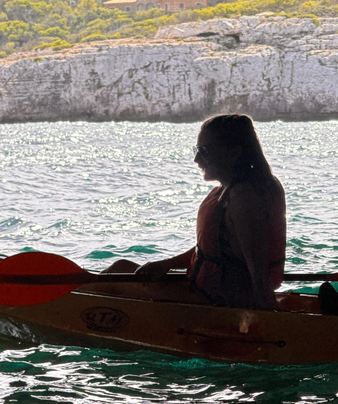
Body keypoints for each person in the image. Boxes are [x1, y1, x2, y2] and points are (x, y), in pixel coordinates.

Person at [106, 114, 286, 310]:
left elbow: (258, 272)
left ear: (234, 153)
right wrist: (167, 264)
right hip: (205, 291)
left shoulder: (244, 198)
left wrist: (267, 322)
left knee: (112, 282)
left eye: (204, 151)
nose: (196, 159)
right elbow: (220, 249)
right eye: (197, 150)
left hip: (215, 302)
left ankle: (73, 312)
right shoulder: (238, 189)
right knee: (120, 268)